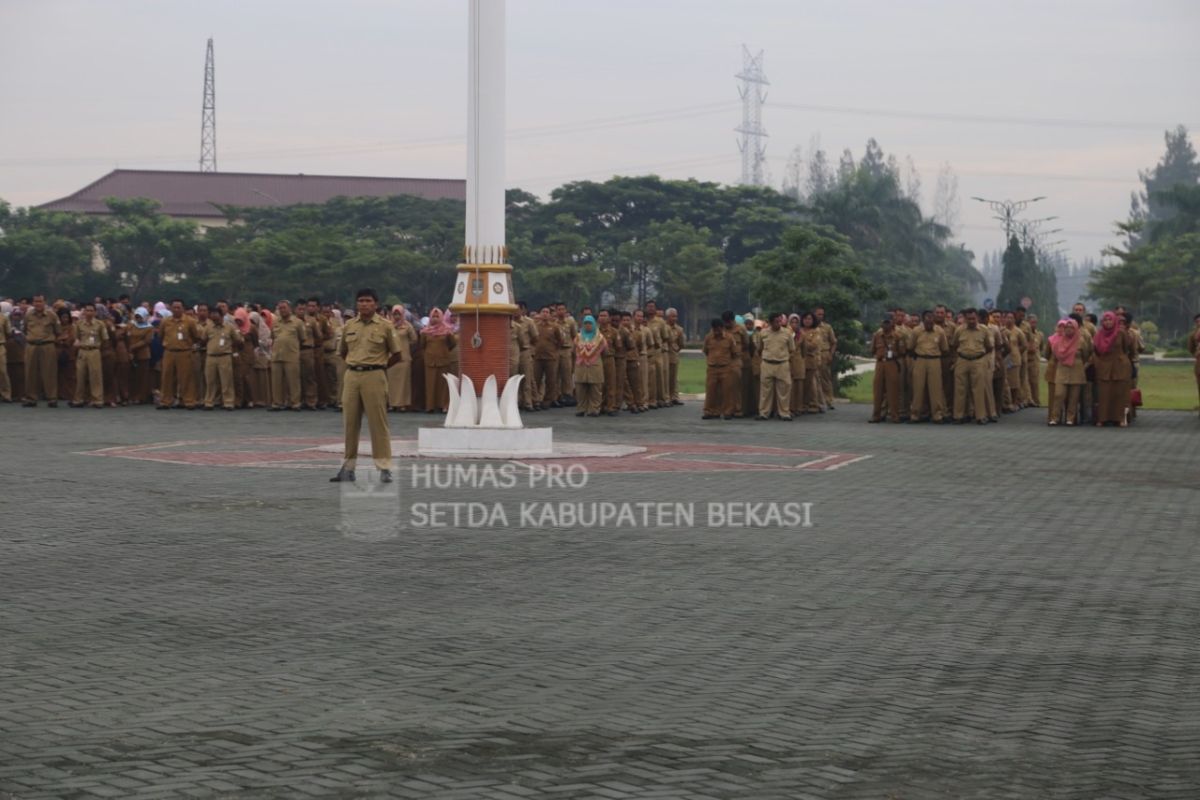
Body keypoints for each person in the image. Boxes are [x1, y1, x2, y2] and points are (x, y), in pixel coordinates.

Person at [330, 288, 400, 483]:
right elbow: (343, 352)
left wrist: (380, 367)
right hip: (352, 375)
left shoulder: (385, 326)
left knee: (378, 424)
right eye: (360, 301)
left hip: (375, 375)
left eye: (368, 301)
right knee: (350, 423)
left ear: (376, 304)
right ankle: (348, 468)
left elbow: (397, 354)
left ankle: (384, 467)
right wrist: (356, 363)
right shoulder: (350, 325)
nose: (364, 304)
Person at [1091, 310, 1134, 427]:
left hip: (1120, 365)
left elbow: (1126, 348)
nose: (1108, 322)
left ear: (1114, 321)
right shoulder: (1099, 334)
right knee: (1104, 394)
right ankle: (1102, 419)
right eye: (1105, 320)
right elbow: (1096, 350)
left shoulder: (1121, 333)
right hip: (1104, 366)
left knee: (1119, 393)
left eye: (1110, 319)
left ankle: (1120, 418)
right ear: (1102, 322)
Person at [950, 309, 993, 424]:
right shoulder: (959, 330)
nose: (971, 321)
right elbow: (954, 345)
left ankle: (980, 416)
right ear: (965, 319)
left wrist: (981, 357)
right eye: (969, 319)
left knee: (978, 389)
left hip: (978, 360)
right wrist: (956, 360)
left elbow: (989, 346)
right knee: (960, 389)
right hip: (962, 360)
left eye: (973, 318)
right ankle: (959, 416)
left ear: (977, 318)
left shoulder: (984, 330)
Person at [159, 299, 202, 409]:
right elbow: (161, 335)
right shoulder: (165, 321)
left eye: (179, 307)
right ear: (171, 308)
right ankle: (166, 401)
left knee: (186, 377)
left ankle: (188, 401)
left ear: (183, 309)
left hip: (184, 352)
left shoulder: (190, 321)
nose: (176, 309)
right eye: (174, 307)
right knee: (167, 377)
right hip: (169, 352)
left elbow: (196, 336)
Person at [1047, 317, 1090, 426]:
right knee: (1058, 394)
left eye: (1071, 327)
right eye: (1067, 327)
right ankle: (1055, 418)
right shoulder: (1059, 340)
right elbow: (1053, 354)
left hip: (1077, 370)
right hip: (1062, 370)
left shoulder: (1081, 340)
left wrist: (1077, 362)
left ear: (1076, 328)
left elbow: (1086, 354)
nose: (1069, 329)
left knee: (1073, 397)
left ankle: (1070, 418)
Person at [908, 311, 948, 423]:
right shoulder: (916, 331)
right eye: (927, 319)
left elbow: (945, 348)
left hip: (934, 361)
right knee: (918, 388)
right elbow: (910, 347)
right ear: (923, 319)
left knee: (936, 389)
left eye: (931, 318)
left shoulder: (940, 331)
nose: (929, 321)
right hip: (920, 360)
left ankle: (937, 415)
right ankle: (915, 415)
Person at [756, 312, 795, 420]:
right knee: (765, 391)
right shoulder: (763, 333)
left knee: (784, 390)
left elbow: (792, 349)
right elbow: (759, 348)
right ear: (770, 322)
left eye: (780, 321)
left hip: (782, 364)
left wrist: (786, 359)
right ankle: (764, 413)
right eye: (776, 322)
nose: (779, 323)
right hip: (767, 363)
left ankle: (784, 413)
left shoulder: (787, 333)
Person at [270, 300, 307, 411]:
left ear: (290, 309)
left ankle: (295, 403)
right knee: (276, 381)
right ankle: (277, 403)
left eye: (284, 308)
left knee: (293, 381)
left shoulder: (297, 322)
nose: (282, 310)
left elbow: (302, 338)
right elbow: (272, 337)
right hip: (277, 355)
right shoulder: (275, 322)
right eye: (280, 308)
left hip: (291, 355)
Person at [203, 306, 242, 410]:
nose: (214, 319)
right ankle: (209, 402)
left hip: (225, 356)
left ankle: (228, 402)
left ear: (222, 316)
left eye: (216, 316)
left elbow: (238, 340)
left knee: (227, 381)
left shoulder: (229, 327)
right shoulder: (208, 327)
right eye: (212, 317)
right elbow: (203, 340)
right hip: (210, 357)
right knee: (210, 381)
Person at [420, 307, 457, 414]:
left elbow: (452, 344)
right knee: (430, 385)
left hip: (443, 360)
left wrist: (444, 351)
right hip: (430, 361)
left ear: (441, 318)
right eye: (433, 317)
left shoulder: (447, 331)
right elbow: (422, 345)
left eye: (437, 317)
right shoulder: (425, 332)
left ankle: (443, 406)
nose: (435, 319)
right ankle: (430, 406)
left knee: (443, 385)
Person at [71, 303, 108, 408]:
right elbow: (77, 338)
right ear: (84, 312)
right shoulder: (79, 324)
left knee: (95, 376)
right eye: (87, 310)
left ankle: (97, 400)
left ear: (95, 312)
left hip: (94, 350)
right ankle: (78, 399)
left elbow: (105, 339)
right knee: (80, 375)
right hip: (82, 351)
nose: (89, 313)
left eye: (91, 311)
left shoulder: (100, 324)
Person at [869, 317, 905, 423]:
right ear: (881, 324)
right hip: (880, 363)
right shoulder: (877, 336)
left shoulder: (897, 336)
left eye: (888, 323)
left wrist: (895, 354)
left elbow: (902, 351)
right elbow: (872, 350)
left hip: (892, 363)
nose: (886, 325)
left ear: (892, 324)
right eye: (884, 323)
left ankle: (895, 416)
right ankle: (876, 415)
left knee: (893, 391)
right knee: (878, 391)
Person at [702, 317, 738, 420]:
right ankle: (710, 411)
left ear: (722, 328)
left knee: (727, 391)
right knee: (711, 391)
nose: (716, 332)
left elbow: (734, 352)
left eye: (718, 329)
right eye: (714, 329)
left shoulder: (729, 338)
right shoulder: (708, 337)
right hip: (712, 368)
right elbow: (705, 351)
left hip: (725, 368)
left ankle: (727, 412)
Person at [572, 315, 608, 417]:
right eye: (586, 323)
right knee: (580, 388)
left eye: (590, 323)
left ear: (594, 324)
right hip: (581, 365)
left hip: (595, 365)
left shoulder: (600, 337)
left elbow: (605, 351)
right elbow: (573, 350)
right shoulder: (578, 336)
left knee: (595, 388)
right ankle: (581, 408)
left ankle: (594, 409)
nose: (588, 326)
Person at [386, 304, 417, 412]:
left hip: (404, 358)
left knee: (404, 383)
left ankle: (402, 404)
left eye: (399, 314)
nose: (397, 316)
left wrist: (404, 344)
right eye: (395, 314)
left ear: (402, 314)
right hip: (391, 358)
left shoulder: (407, 326)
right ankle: (391, 404)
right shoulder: (388, 325)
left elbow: (414, 339)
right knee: (390, 382)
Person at [799, 312, 824, 414]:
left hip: (811, 360)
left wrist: (803, 341)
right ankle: (802, 404)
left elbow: (813, 345)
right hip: (799, 360)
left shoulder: (816, 332)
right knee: (801, 384)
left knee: (811, 383)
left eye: (809, 319)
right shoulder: (799, 330)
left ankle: (813, 404)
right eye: (805, 319)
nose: (807, 321)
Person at [814, 306, 837, 410]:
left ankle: (829, 400)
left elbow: (834, 342)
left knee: (825, 378)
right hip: (813, 355)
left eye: (822, 314)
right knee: (814, 378)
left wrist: (830, 354)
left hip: (824, 354)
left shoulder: (827, 327)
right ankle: (817, 401)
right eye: (819, 314)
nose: (821, 316)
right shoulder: (811, 327)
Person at [664, 307, 685, 405]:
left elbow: (681, 344)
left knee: (673, 378)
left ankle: (674, 397)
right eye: (672, 316)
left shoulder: (679, 329)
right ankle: (665, 397)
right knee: (664, 378)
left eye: (676, 316)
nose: (675, 318)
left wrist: (675, 350)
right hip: (662, 356)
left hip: (673, 356)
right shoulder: (662, 327)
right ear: (667, 317)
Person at [0, 303, 11, 403]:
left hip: (0, 346)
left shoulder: (3, 318)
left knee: (2, 371)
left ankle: (6, 395)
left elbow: (8, 333)